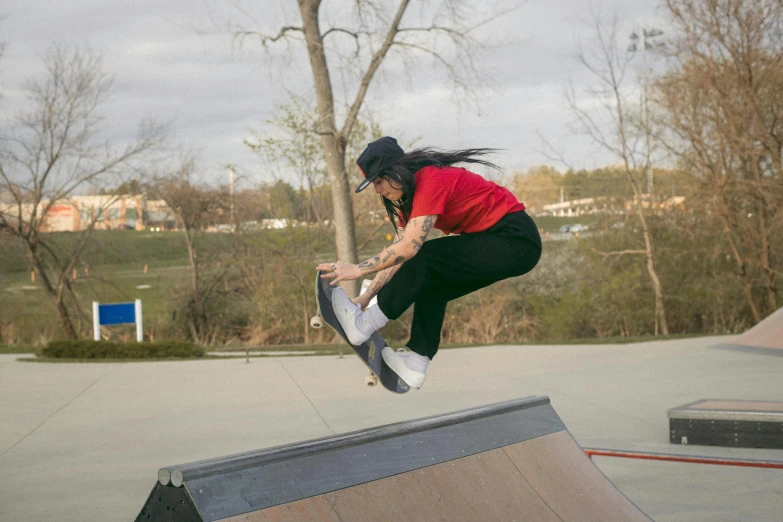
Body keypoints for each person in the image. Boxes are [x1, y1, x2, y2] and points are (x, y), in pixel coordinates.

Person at [317, 136, 541, 390]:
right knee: (432, 284)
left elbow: (410, 247)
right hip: (500, 244)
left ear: (396, 171)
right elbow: (396, 254)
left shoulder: (432, 179)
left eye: (379, 181)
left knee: (426, 258)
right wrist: (366, 297)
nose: (378, 190)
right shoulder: (408, 200)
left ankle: (363, 325)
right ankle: (416, 363)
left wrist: (358, 270)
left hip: (515, 238)